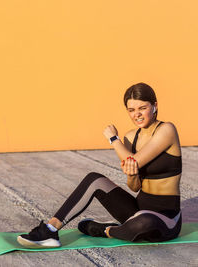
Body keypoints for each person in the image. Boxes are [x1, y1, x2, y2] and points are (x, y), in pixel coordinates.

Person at [17, 82, 183, 248]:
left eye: (142, 108)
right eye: (131, 110)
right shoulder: (131, 137)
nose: (137, 115)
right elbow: (134, 187)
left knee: (143, 223)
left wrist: (113, 139)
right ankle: (50, 229)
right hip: (138, 209)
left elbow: (134, 162)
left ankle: (106, 230)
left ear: (154, 106)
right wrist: (132, 175)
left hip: (165, 218)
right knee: (94, 179)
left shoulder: (167, 130)